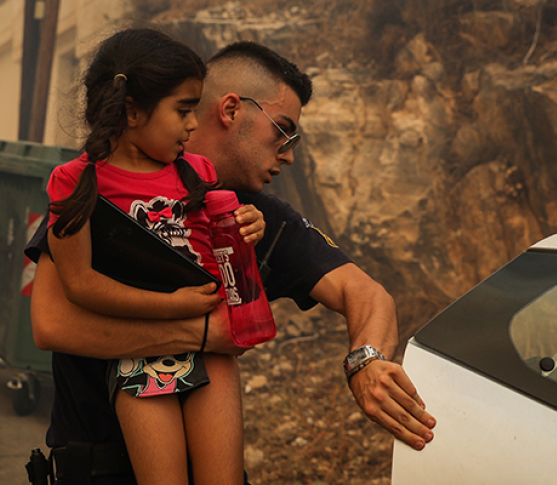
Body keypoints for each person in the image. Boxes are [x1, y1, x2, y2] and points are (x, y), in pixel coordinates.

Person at [27, 40, 436, 484]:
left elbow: (365, 293)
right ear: (231, 110)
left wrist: (366, 361)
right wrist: (201, 332)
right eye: (283, 130)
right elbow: (50, 323)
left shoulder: (258, 217)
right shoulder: (102, 189)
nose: (289, 153)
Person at [44, 28, 266, 485]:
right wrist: (173, 307)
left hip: (213, 355)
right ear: (131, 110)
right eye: (184, 110)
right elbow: (80, 285)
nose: (192, 124)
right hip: (140, 353)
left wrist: (248, 228)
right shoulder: (77, 182)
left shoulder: (197, 171)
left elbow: (219, 251)